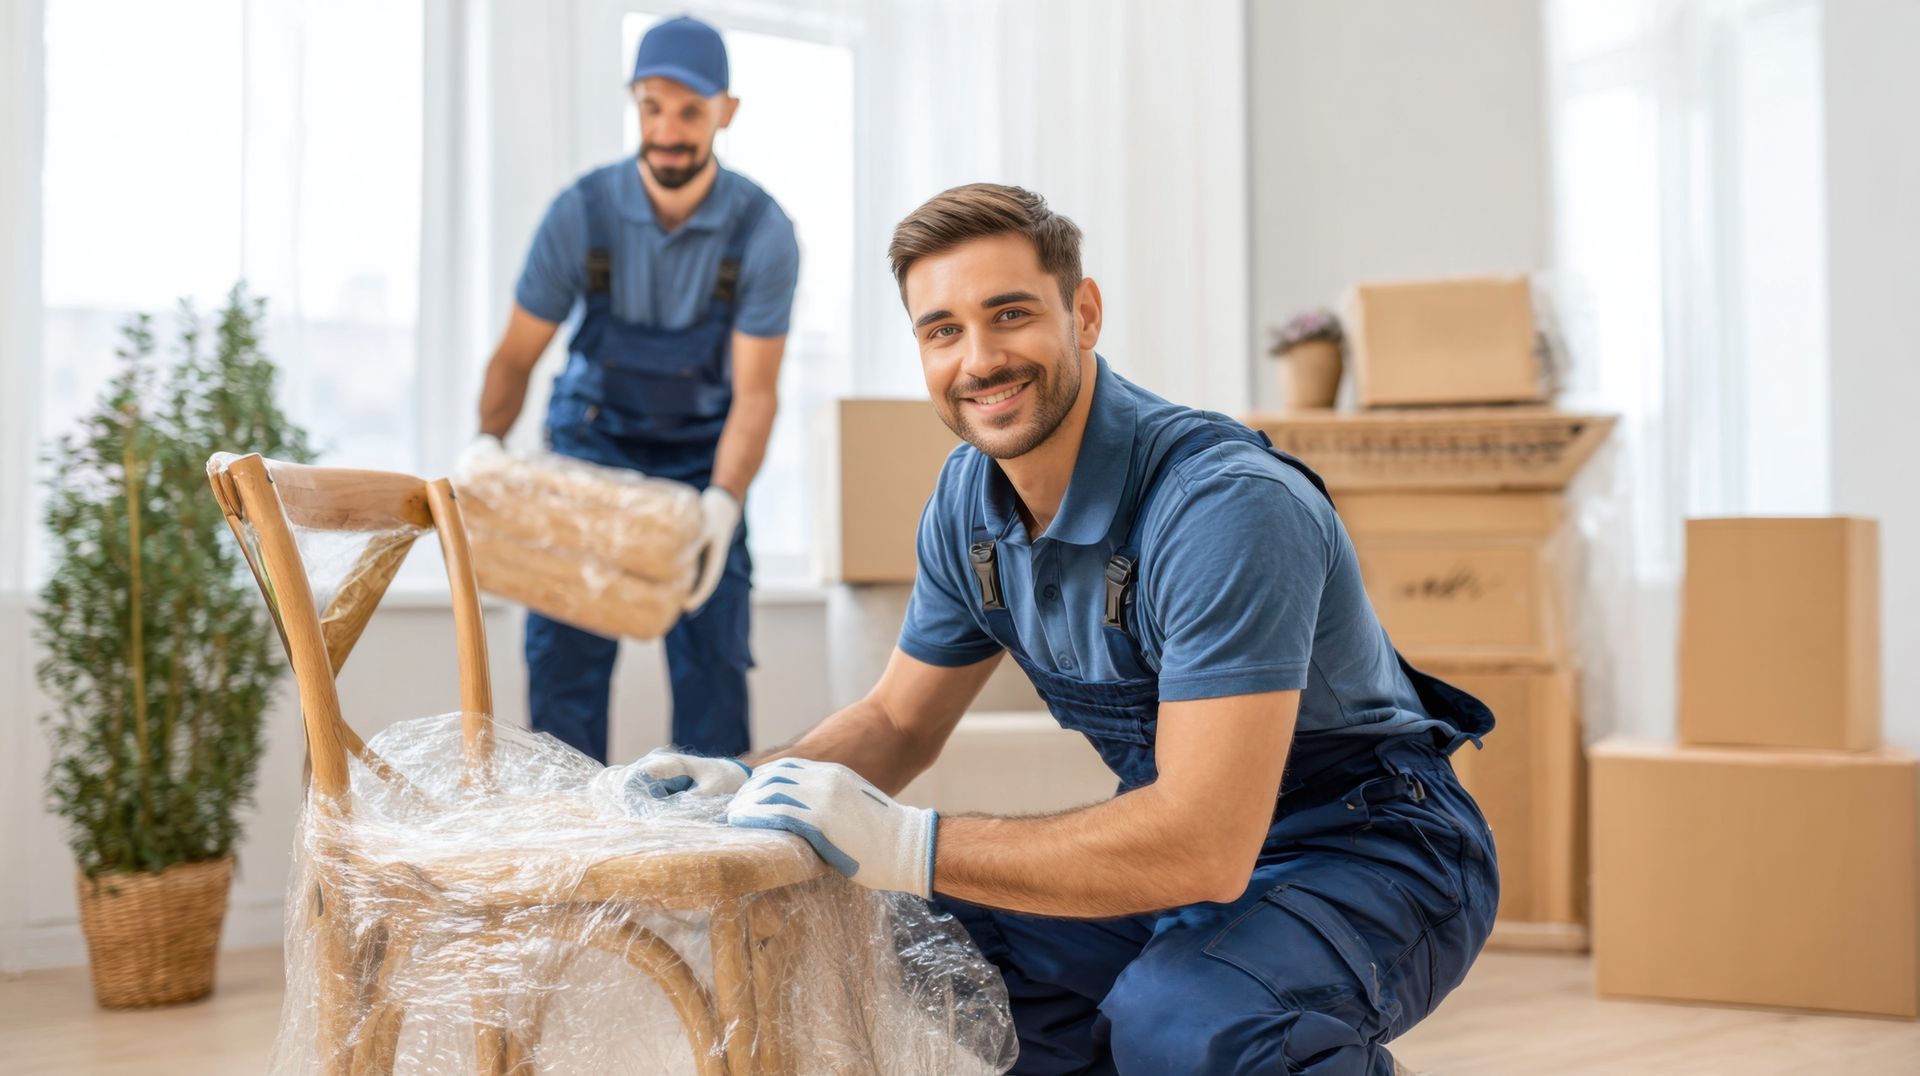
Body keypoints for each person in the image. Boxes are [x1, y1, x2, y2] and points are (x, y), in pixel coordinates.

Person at [637, 184, 1497, 1073]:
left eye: (1009, 314)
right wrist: (738, 787)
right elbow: (897, 722)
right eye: (942, 330)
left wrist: (903, 841)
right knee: (935, 944)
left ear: (1083, 314)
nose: (979, 360)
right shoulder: (968, 506)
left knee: (1191, 1026)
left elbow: (1203, 843)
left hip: (1371, 847)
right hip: (1191, 834)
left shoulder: (1223, 507)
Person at [474, 15, 798, 763]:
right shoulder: (580, 214)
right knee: (564, 678)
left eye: (690, 110)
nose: (670, 130)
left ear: (727, 111)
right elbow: (516, 357)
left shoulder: (762, 232)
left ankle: (714, 869)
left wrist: (725, 501)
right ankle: (570, 870)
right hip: (589, 450)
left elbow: (756, 393)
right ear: (636, 105)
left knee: (714, 675)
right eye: (653, 108)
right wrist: (486, 448)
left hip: (701, 463)